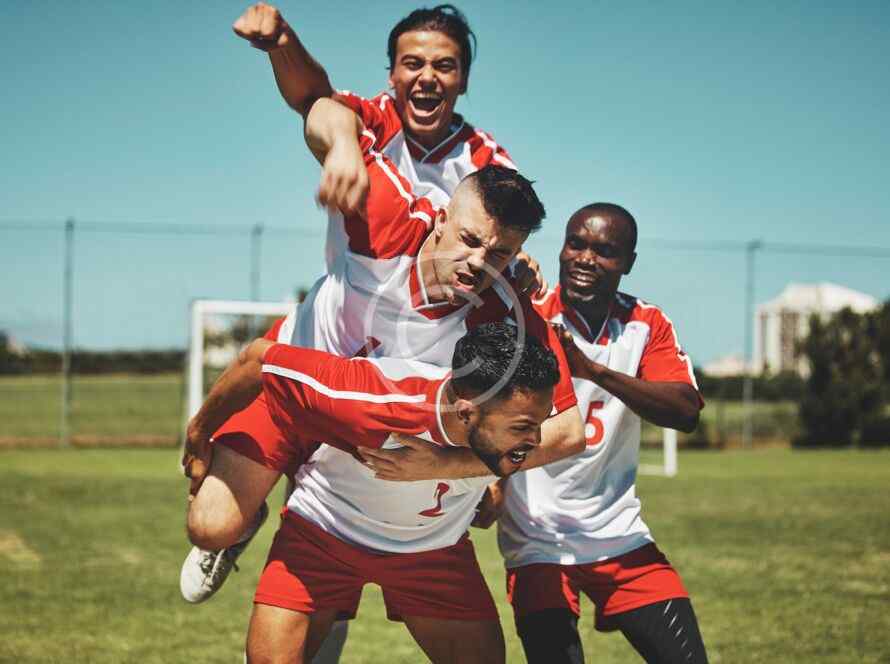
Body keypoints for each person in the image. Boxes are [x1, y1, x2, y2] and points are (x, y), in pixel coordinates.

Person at [184, 322, 562, 664]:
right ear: (465, 414)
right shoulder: (373, 397)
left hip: (434, 549)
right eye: (523, 428)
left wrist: (493, 479)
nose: (536, 440)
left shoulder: (507, 424)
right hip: (324, 533)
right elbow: (257, 359)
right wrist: (199, 434)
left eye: (540, 423)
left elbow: (555, 438)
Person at [494, 203, 710, 663]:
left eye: (604, 251)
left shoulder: (646, 324)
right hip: (537, 541)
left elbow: (685, 410)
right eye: (576, 244)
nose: (585, 259)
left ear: (628, 262)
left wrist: (593, 371)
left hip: (618, 534)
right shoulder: (524, 316)